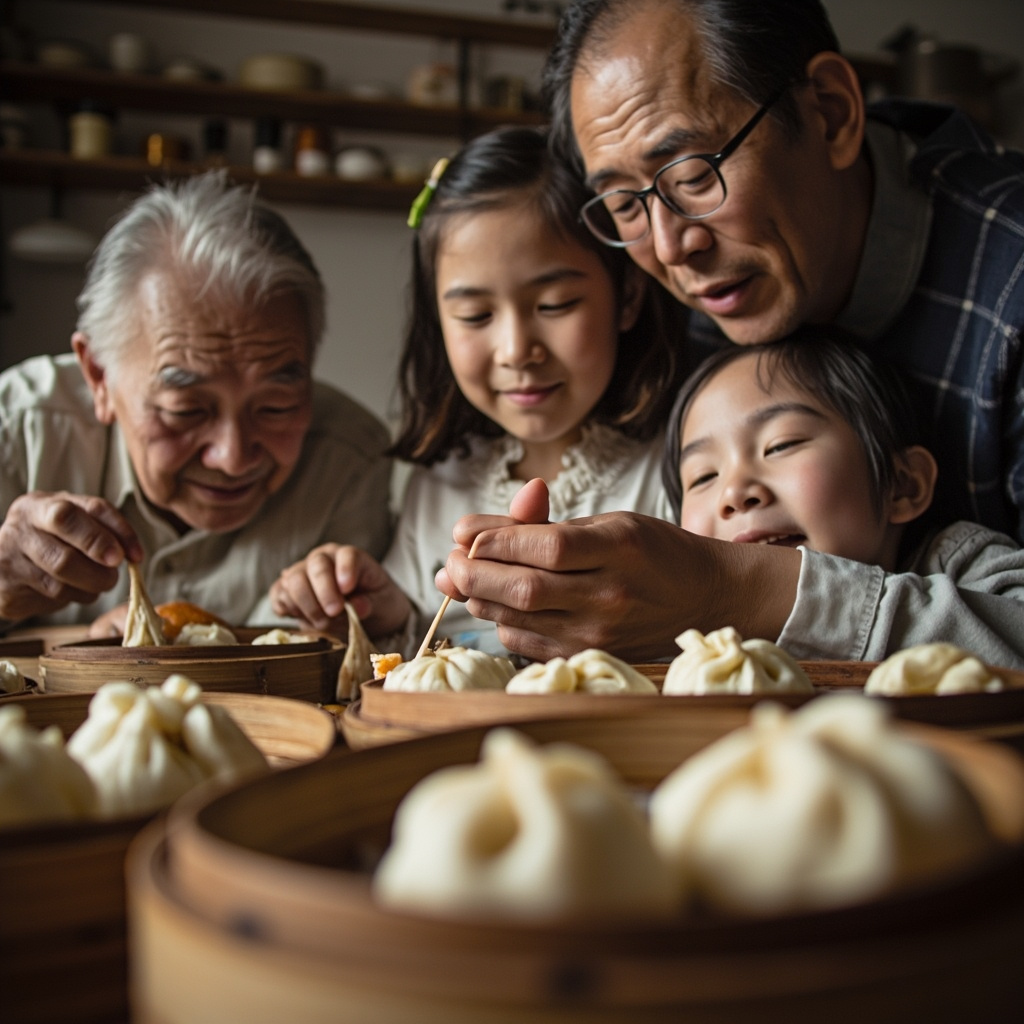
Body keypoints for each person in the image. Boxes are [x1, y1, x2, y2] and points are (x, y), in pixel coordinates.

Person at [436, 0, 1024, 663]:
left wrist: (736, 590)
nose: (670, 248)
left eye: (695, 175)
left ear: (831, 113)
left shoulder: (1012, 277)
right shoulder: (669, 296)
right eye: (625, 203)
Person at [269, 125, 687, 655]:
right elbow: (417, 639)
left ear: (626, 296)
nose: (516, 350)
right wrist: (382, 610)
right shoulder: (440, 480)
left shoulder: (679, 469)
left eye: (555, 305)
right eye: (475, 315)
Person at [0, 170, 393, 635]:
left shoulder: (350, 460)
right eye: (186, 411)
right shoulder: (18, 431)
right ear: (99, 377)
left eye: (276, 406)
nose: (232, 458)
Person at [662, 332, 1024, 666]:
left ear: (902, 485)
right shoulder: (690, 634)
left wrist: (806, 602)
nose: (734, 493)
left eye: (781, 445)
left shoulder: (960, 565)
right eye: (703, 476)